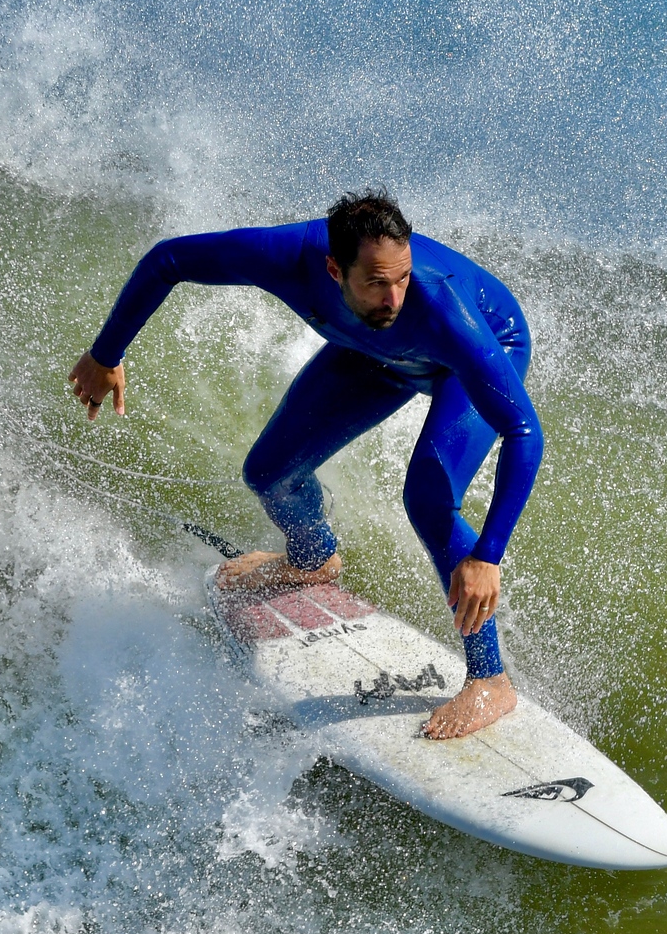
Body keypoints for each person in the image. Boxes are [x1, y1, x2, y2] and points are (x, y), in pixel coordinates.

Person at [67, 189, 543, 739]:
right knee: (269, 472)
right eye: (376, 283)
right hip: (376, 355)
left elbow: (523, 431)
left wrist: (488, 555)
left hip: (477, 355)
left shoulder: (438, 307)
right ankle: (314, 559)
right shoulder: (286, 257)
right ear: (334, 269)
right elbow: (168, 260)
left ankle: (491, 679)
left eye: (403, 278)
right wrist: (107, 354)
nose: (395, 298)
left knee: (428, 499)